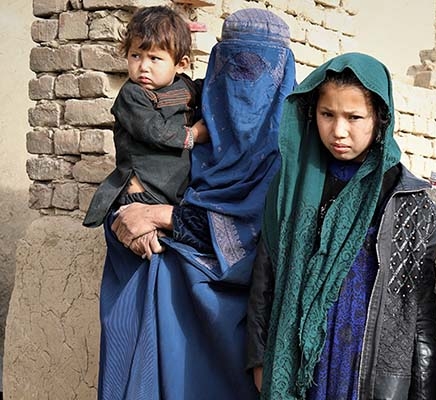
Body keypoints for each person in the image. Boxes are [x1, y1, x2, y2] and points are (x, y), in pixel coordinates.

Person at [98, 9, 295, 399]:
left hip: (246, 316)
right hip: (165, 305)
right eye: (234, 67)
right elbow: (137, 174)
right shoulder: (198, 114)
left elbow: (258, 234)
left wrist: (160, 216)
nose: (244, 85)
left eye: (258, 70)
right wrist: (131, 210)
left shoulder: (291, 150)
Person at [246, 52, 436, 400]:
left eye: (354, 117)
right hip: (301, 362)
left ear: (381, 119)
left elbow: (419, 310)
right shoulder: (294, 187)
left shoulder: (406, 199)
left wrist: (424, 392)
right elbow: (266, 277)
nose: (338, 131)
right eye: (327, 115)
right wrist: (261, 359)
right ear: (311, 113)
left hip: (365, 370)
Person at [83, 5, 208, 229]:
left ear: (181, 64)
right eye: (136, 56)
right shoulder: (132, 95)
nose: (143, 67)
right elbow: (153, 130)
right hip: (142, 192)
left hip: (174, 193)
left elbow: (209, 89)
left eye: (154, 58)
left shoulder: (186, 87)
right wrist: (194, 134)